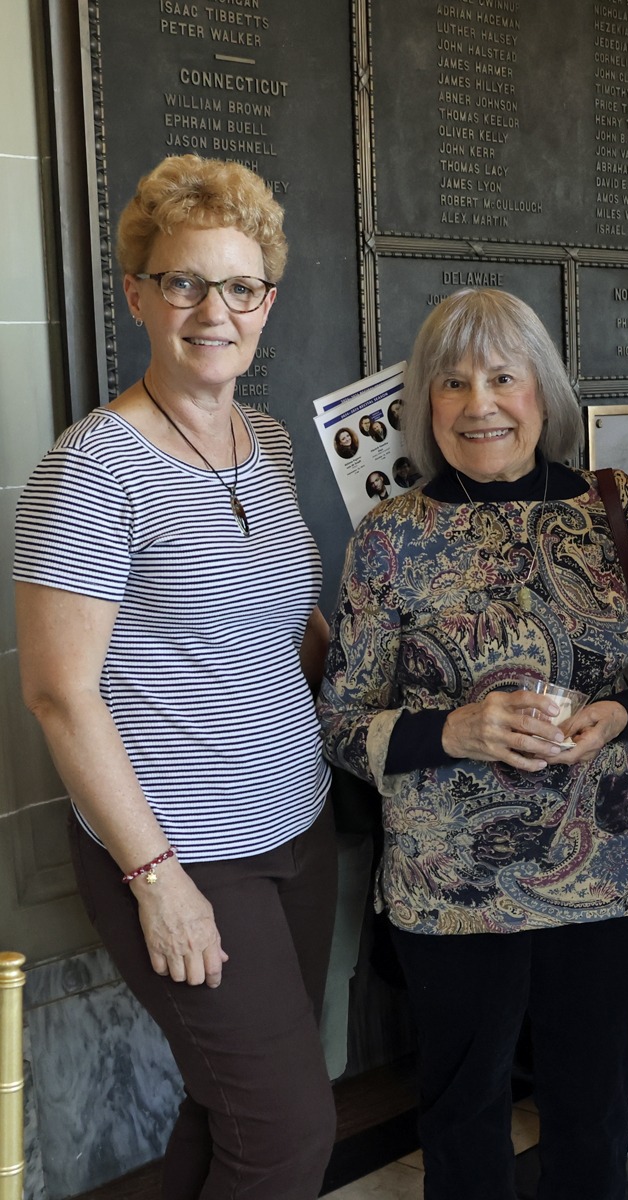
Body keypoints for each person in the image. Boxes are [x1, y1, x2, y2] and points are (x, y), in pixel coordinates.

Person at [319, 287, 628, 1200]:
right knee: (462, 1115)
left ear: (544, 393)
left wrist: (618, 718)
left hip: (602, 871)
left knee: (594, 1110)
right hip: (450, 887)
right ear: (425, 405)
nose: (480, 403)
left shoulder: (621, 515)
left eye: (503, 376)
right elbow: (340, 723)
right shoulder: (389, 538)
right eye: (452, 383)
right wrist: (454, 729)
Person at [13, 153, 337, 1198]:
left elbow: (285, 621)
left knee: (233, 1107)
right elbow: (60, 693)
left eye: (239, 287)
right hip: (184, 853)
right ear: (139, 293)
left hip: (297, 825)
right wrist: (159, 883)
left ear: (266, 301)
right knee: (287, 1135)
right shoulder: (92, 464)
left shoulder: (270, 440)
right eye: (185, 282)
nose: (213, 310)